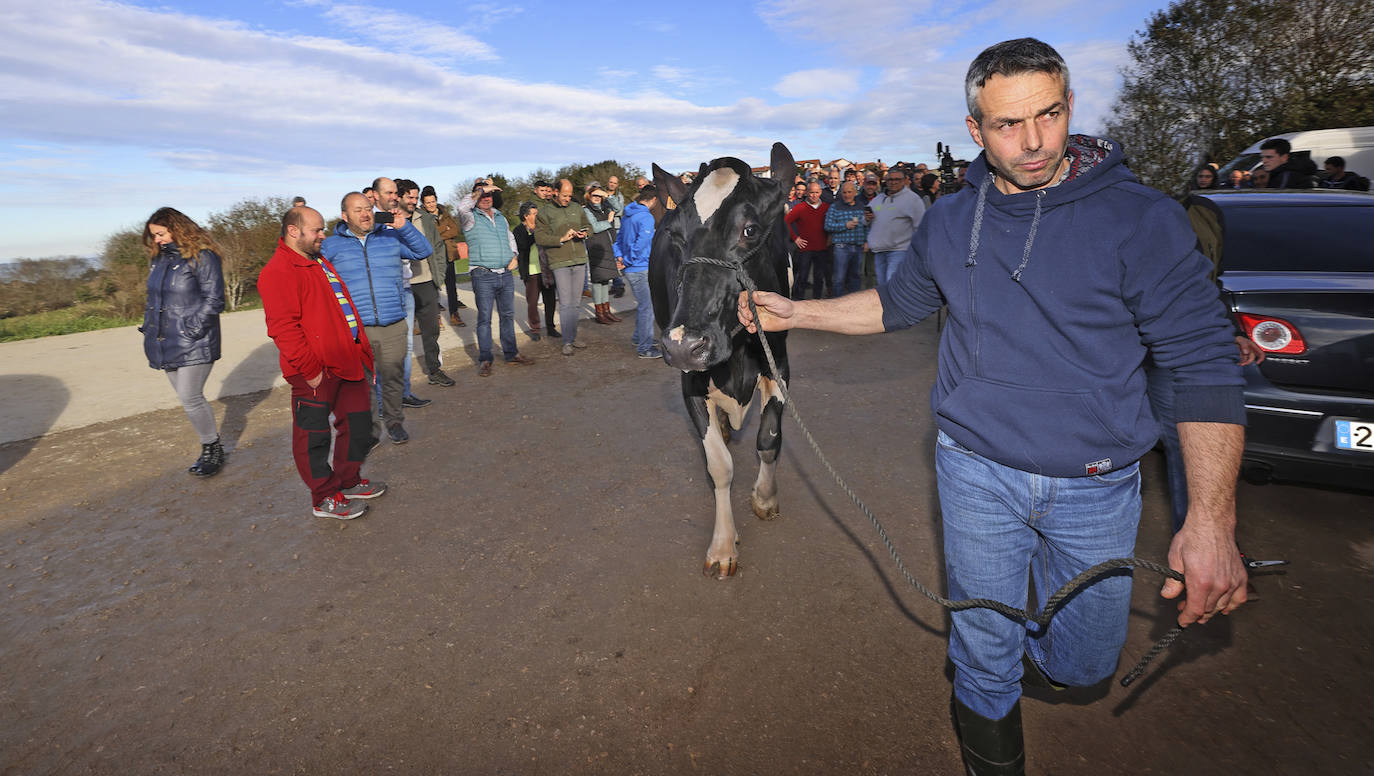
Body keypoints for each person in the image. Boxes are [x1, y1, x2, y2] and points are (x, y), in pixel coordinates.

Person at [738, 38, 1248, 774]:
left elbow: (1202, 364)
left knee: (1083, 667)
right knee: (985, 656)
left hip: (1097, 486)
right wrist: (797, 314)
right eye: (1008, 124)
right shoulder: (950, 221)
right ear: (975, 130)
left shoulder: (1142, 220)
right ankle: (984, 688)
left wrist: (1210, 520)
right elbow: (897, 303)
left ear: (1070, 105)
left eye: (1048, 114)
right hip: (974, 472)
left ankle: (1004, 670)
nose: (1034, 141)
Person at [260, 206, 386, 520]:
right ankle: (325, 497)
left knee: (358, 427)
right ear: (293, 231)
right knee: (312, 438)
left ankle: (349, 480)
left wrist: (362, 351)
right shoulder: (278, 271)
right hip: (316, 372)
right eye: (316, 230)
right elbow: (283, 328)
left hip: (348, 361)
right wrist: (310, 370)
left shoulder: (317, 260)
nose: (322, 235)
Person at [322, 191, 431, 445]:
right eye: (358, 209)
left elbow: (422, 250)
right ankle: (371, 431)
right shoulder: (330, 245)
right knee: (363, 385)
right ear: (344, 215)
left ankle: (394, 421)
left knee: (393, 377)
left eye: (368, 208)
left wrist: (404, 227)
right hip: (357, 329)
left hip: (392, 322)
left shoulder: (390, 236)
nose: (365, 213)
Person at [140, 207, 226, 477]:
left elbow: (215, 300)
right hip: (164, 340)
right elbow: (155, 299)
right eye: (154, 235)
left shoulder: (203, 257)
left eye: (161, 234)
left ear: (178, 230)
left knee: (190, 397)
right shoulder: (159, 260)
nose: (157, 240)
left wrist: (192, 329)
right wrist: (148, 328)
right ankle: (209, 446)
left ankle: (212, 449)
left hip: (195, 341)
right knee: (186, 398)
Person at [456, 183, 535, 376]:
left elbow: (510, 240)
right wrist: (481, 190)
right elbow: (461, 207)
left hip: (505, 274)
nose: (487, 197)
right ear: (477, 195)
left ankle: (511, 353)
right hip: (483, 274)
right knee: (484, 319)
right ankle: (485, 359)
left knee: (507, 316)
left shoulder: (501, 217)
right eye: (483, 194)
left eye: (490, 194)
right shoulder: (469, 217)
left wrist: (514, 256)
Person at [535, 179, 594, 355]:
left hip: (580, 260)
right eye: (564, 195)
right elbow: (540, 238)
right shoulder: (544, 212)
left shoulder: (576, 208)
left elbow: (589, 226)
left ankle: (573, 337)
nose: (567, 198)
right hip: (559, 261)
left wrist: (585, 233)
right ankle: (567, 341)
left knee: (575, 304)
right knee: (566, 304)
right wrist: (561, 239)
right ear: (555, 192)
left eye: (569, 195)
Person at [406, 183, 455, 388]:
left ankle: (435, 369)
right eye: (409, 197)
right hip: (403, 285)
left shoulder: (425, 219)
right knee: (403, 336)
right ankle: (400, 381)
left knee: (431, 329)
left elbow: (437, 247)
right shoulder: (387, 222)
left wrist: (439, 275)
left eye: (415, 198)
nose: (413, 201)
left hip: (426, 282)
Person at [613, 184, 661, 358]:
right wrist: (626, 260)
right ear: (654, 199)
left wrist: (620, 256)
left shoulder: (627, 214)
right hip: (639, 268)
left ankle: (639, 337)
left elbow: (617, 239)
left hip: (633, 267)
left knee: (644, 306)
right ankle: (645, 347)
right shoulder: (646, 218)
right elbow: (640, 245)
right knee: (647, 307)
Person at [866, 166, 925, 285]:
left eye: (897, 179)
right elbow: (865, 220)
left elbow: (921, 226)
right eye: (890, 180)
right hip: (879, 251)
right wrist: (867, 218)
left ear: (904, 180)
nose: (893, 182)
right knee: (883, 286)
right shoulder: (878, 199)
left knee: (893, 284)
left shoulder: (913, 200)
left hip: (899, 251)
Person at [512, 201, 558, 341]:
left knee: (550, 300)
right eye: (534, 214)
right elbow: (523, 245)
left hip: (546, 269)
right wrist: (536, 235)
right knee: (532, 302)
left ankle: (551, 327)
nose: (537, 216)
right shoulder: (519, 230)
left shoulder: (542, 227)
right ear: (526, 216)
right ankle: (535, 329)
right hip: (531, 271)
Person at [422, 187, 465, 326]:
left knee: (451, 285)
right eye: (428, 203)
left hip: (448, 253)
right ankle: (436, 317)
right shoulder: (422, 217)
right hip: (433, 254)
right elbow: (427, 236)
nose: (431, 205)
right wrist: (444, 231)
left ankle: (454, 314)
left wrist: (437, 235)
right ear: (423, 203)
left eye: (433, 201)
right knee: (434, 286)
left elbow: (455, 230)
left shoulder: (445, 213)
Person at [784, 181, 832, 299]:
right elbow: (786, 221)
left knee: (819, 277)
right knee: (802, 277)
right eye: (811, 192)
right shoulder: (800, 207)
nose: (814, 195)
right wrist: (795, 238)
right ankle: (798, 301)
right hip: (805, 249)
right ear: (807, 193)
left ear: (820, 192)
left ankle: (817, 301)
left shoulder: (826, 207)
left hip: (822, 248)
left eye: (816, 192)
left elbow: (831, 224)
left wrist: (830, 237)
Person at [583, 184, 621, 324]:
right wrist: (609, 221)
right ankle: (599, 313)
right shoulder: (586, 210)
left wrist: (607, 195)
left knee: (606, 280)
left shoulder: (605, 207)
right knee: (598, 281)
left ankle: (607, 311)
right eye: (594, 195)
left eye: (599, 195)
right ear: (589, 196)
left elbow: (618, 208)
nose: (597, 198)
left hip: (606, 246)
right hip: (595, 246)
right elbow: (595, 227)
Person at [824, 180, 868, 296]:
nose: (847, 195)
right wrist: (845, 225)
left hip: (858, 247)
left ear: (855, 193)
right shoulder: (835, 207)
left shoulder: (862, 206)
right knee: (839, 278)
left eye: (849, 192)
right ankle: (837, 303)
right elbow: (828, 226)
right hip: (841, 247)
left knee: (856, 276)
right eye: (844, 192)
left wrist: (866, 241)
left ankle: (853, 303)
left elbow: (867, 225)